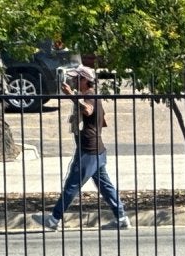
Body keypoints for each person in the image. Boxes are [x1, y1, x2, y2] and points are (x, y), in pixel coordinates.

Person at [40, 66, 128, 230]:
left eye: (77, 78)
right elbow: (100, 118)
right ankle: (122, 218)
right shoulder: (91, 95)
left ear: (85, 80)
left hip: (89, 150)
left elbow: (88, 110)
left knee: (72, 185)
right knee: (105, 186)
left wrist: (71, 96)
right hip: (96, 149)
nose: (74, 81)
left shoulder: (89, 96)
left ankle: (53, 220)